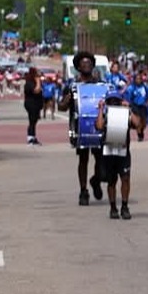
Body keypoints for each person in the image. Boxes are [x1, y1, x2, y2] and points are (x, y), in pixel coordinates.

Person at [61, 51, 105, 206]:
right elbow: (61, 107)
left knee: (101, 161)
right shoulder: (73, 86)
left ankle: (96, 180)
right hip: (81, 128)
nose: (87, 66)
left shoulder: (100, 85)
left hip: (98, 127)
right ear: (78, 67)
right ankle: (83, 190)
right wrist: (67, 99)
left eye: (89, 63)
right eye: (83, 64)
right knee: (83, 159)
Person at [94, 90, 134, 220]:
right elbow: (99, 126)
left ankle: (124, 206)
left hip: (123, 150)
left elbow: (138, 124)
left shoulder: (125, 114)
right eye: (111, 101)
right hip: (109, 150)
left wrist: (129, 110)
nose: (114, 104)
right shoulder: (105, 114)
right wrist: (100, 109)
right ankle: (113, 207)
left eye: (116, 101)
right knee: (111, 181)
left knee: (125, 178)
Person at [23, 66, 44, 145]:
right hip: (31, 104)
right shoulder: (29, 83)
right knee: (32, 121)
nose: (38, 75)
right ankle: (30, 138)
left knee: (34, 121)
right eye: (37, 73)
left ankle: (33, 136)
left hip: (36, 104)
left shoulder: (34, 82)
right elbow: (36, 91)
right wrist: (38, 81)